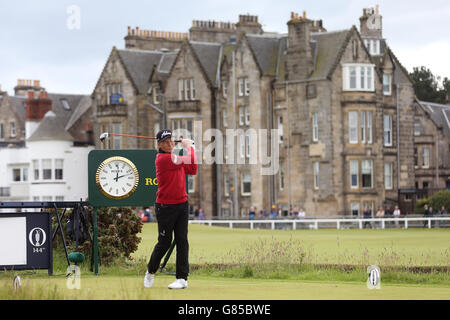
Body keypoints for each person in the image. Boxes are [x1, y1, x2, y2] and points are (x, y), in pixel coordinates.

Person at [144, 129, 197, 290]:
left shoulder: (174, 158)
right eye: (166, 142)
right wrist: (190, 146)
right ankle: (151, 270)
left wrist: (190, 149)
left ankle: (182, 278)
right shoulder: (163, 159)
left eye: (171, 140)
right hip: (165, 206)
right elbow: (190, 158)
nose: (170, 143)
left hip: (181, 204)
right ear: (159, 145)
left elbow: (192, 169)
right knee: (164, 242)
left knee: (182, 240)